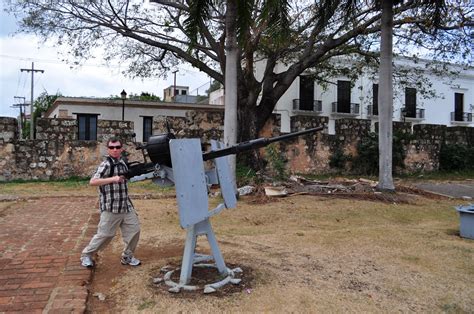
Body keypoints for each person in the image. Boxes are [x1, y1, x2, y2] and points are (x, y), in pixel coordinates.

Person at [80, 136, 141, 267]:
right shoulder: (106, 165)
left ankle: (127, 257)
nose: (115, 150)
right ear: (108, 149)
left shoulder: (123, 162)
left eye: (117, 147)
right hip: (111, 207)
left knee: (134, 231)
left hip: (125, 206)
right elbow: (93, 181)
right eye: (112, 147)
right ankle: (86, 255)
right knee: (105, 235)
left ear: (121, 149)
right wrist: (113, 179)